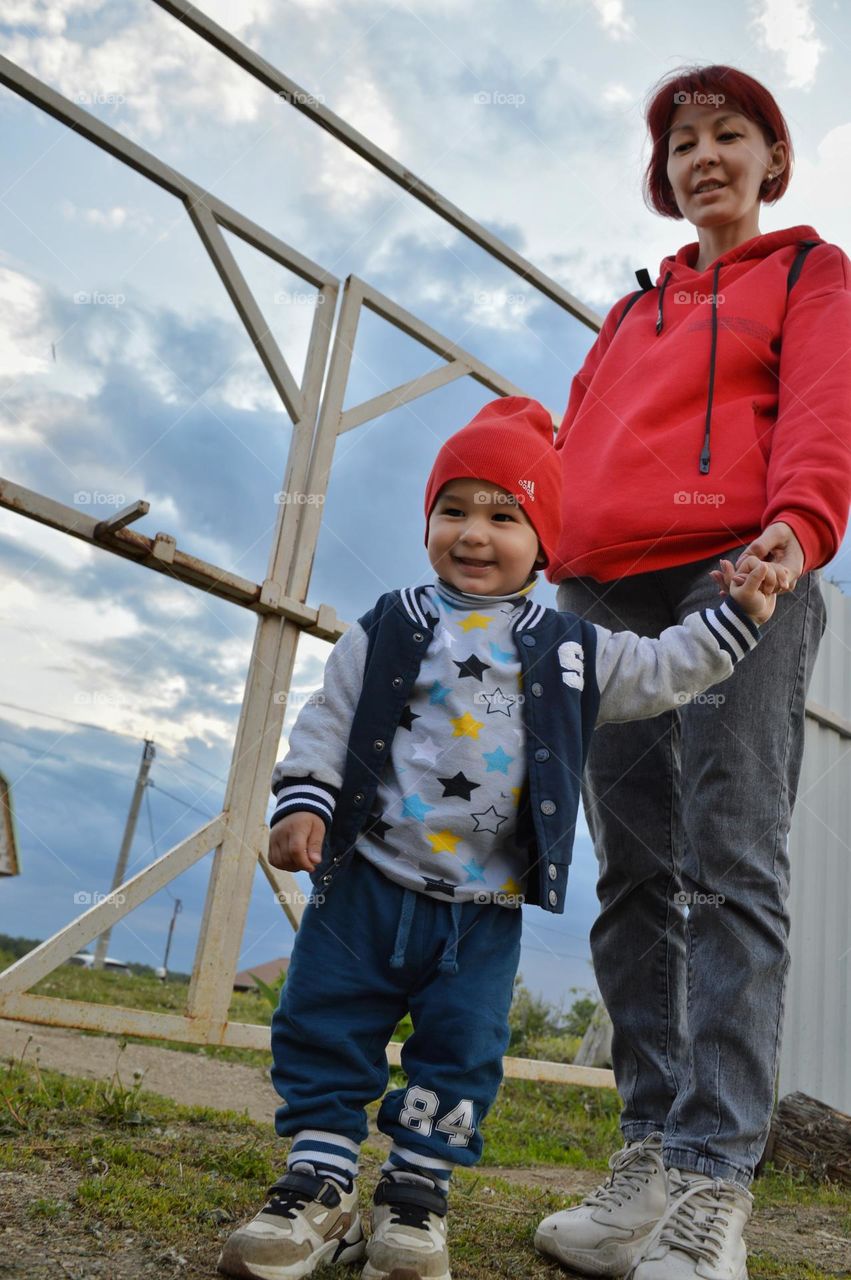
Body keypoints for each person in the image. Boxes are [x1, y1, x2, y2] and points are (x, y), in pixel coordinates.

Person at [217, 395, 785, 1280]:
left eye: (503, 515)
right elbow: (327, 724)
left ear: (544, 539)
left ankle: (413, 1198)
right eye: (452, 509)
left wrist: (738, 616)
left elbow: (664, 667)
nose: (472, 533)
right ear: (427, 521)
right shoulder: (390, 622)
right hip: (364, 880)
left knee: (460, 1051)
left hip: (480, 908)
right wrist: (303, 805)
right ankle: (317, 1186)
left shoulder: (568, 645)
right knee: (324, 1024)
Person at [535, 64, 851, 1280]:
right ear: (662, 176)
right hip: (597, 589)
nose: (702, 154)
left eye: (729, 135)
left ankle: (713, 1181)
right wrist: (535, 532)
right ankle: (648, 1157)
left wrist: (798, 524)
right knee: (631, 875)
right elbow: (572, 448)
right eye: (681, 142)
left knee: (728, 864)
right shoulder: (626, 316)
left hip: (736, 572)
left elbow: (823, 410)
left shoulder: (810, 272)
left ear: (771, 161)